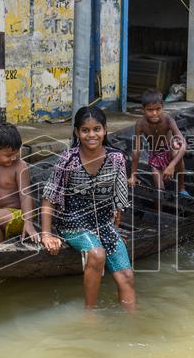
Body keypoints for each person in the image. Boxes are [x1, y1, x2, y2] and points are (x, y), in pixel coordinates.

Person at [40, 106, 135, 309]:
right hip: (72, 221)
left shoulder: (116, 158)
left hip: (103, 222)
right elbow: (49, 197)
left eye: (97, 129)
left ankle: (133, 325)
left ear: (105, 130)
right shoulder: (69, 159)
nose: (91, 135)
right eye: (85, 130)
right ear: (77, 132)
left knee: (126, 275)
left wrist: (115, 230)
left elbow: (119, 200)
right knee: (97, 254)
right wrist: (46, 234)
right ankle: (89, 313)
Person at [129, 90, 189, 196]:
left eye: (158, 109)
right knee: (159, 191)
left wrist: (171, 165)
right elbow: (136, 150)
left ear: (162, 107)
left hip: (170, 152)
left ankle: (181, 187)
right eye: (150, 110)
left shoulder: (168, 120)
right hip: (156, 154)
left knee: (176, 147)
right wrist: (133, 174)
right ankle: (160, 207)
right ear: (143, 110)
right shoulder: (140, 124)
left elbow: (184, 145)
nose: (154, 113)